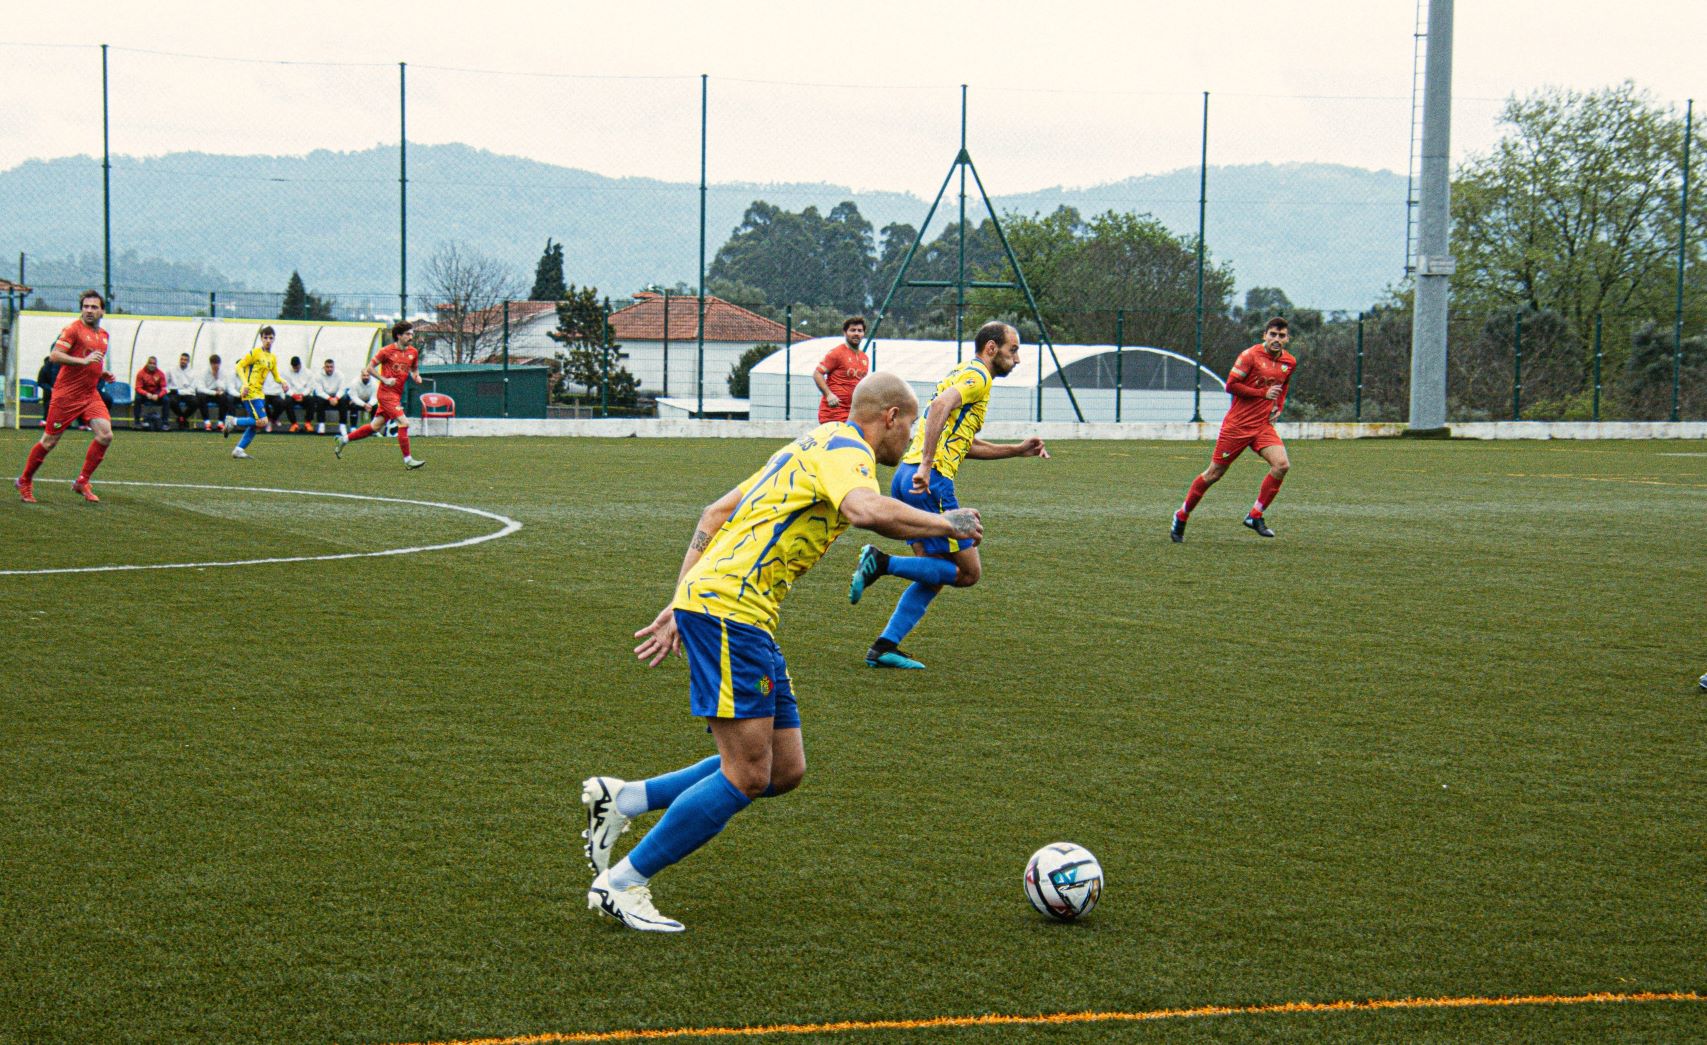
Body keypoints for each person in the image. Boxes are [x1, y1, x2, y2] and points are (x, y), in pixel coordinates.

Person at [582, 372, 982, 932]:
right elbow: (865, 510)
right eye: (911, 423)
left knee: (783, 769)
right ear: (889, 416)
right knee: (746, 773)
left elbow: (714, 514)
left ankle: (623, 800)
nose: (911, 436)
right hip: (730, 613)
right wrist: (947, 522)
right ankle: (621, 884)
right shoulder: (848, 451)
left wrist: (681, 599)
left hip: (740, 614)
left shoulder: (810, 443)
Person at [848, 321, 1049, 670]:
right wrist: (928, 465)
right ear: (991, 348)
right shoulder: (979, 378)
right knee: (968, 573)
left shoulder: (962, 371)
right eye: (1013, 350)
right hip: (930, 480)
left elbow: (962, 443)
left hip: (906, 476)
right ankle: (881, 562)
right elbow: (941, 406)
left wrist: (1016, 450)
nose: (1016, 360)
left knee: (937, 571)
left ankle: (884, 646)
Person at [1170, 316, 1297, 542]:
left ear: (1288, 338)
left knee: (1282, 465)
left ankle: (1255, 515)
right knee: (1213, 474)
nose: (1277, 339)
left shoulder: (1289, 362)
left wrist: (1278, 405)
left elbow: (1283, 385)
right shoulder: (1250, 356)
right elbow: (1231, 385)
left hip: (1262, 426)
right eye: (1273, 335)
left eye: (1282, 336)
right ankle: (1182, 515)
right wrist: (1262, 394)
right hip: (1237, 426)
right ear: (1264, 335)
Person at [16, 290, 114, 504]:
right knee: (49, 441)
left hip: (90, 394)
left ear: (102, 311)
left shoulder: (104, 335)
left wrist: (101, 372)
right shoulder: (73, 330)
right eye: (86, 306)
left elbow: (93, 361)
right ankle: (24, 480)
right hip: (67, 395)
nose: (89, 310)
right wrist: (84, 362)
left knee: (105, 435)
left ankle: (81, 481)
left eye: (94, 307)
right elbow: (55, 356)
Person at [334, 320, 424, 469]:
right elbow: (369, 368)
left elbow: (414, 369)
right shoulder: (386, 351)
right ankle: (408, 460)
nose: (411, 337)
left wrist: (416, 376)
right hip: (386, 394)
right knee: (404, 423)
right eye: (408, 334)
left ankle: (343, 439)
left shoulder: (413, 352)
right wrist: (384, 379)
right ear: (398, 335)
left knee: (375, 427)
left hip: (397, 394)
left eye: (412, 334)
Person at [223, 327, 284, 459]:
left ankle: (238, 450)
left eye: (271, 338)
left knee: (257, 424)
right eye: (265, 337)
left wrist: (283, 382)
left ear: (274, 339)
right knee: (262, 421)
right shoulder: (255, 353)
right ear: (261, 338)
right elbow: (239, 365)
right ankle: (233, 421)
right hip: (250, 392)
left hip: (259, 394)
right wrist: (245, 384)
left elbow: (276, 376)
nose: (268, 340)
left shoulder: (272, 358)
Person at [813, 316, 869, 423]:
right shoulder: (837, 353)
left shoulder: (864, 358)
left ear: (863, 334)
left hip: (852, 413)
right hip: (833, 412)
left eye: (860, 331)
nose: (856, 333)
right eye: (852, 330)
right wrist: (829, 395)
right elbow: (817, 374)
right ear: (845, 333)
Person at [195, 354, 238, 430]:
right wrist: (214, 392)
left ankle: (220, 423)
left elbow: (225, 387)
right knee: (200, 396)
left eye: (217, 364)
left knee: (225, 397)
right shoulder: (203, 372)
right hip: (207, 393)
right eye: (214, 364)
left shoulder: (223, 372)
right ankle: (207, 422)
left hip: (218, 393)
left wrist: (216, 378)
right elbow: (200, 388)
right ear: (210, 364)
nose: (216, 366)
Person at [309, 358, 346, 434]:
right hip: (324, 397)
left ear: (334, 367)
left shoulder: (340, 375)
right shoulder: (318, 375)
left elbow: (342, 390)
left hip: (336, 397)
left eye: (331, 367)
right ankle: (321, 425)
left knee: (344, 400)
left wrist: (336, 398)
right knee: (319, 400)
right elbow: (319, 391)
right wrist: (329, 398)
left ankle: (342, 426)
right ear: (324, 367)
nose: (329, 369)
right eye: (327, 367)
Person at [132, 356, 168, 430]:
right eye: (150, 363)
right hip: (145, 394)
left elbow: (164, 389)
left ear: (156, 364)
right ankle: (137, 423)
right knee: (137, 399)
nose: (152, 365)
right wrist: (146, 394)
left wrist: (158, 395)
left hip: (156, 395)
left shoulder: (160, 374)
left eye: (154, 363)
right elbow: (138, 388)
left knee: (166, 400)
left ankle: (165, 424)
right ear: (147, 363)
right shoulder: (141, 373)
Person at [165, 352, 198, 429]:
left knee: (195, 402)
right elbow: (165, 384)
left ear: (188, 362)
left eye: (185, 360)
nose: (183, 361)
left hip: (187, 393)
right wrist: (168, 391)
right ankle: (182, 419)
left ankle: (182, 418)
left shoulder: (193, 372)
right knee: (171, 401)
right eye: (182, 359)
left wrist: (179, 391)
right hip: (174, 393)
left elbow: (192, 389)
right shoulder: (171, 370)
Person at [280, 356, 312, 432]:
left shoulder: (308, 373)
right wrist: (294, 395)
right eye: (294, 367)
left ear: (300, 364)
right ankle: (294, 424)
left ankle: (308, 423)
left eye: (297, 367)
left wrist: (302, 395)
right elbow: (286, 388)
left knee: (311, 400)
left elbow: (310, 387)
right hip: (293, 395)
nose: (296, 369)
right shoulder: (287, 373)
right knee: (287, 401)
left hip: (304, 395)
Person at [35, 355, 59, 428]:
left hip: (59, 391)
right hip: (49, 392)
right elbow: (40, 382)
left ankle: (55, 422)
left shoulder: (60, 367)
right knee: (48, 405)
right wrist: (50, 389)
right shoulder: (45, 368)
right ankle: (45, 421)